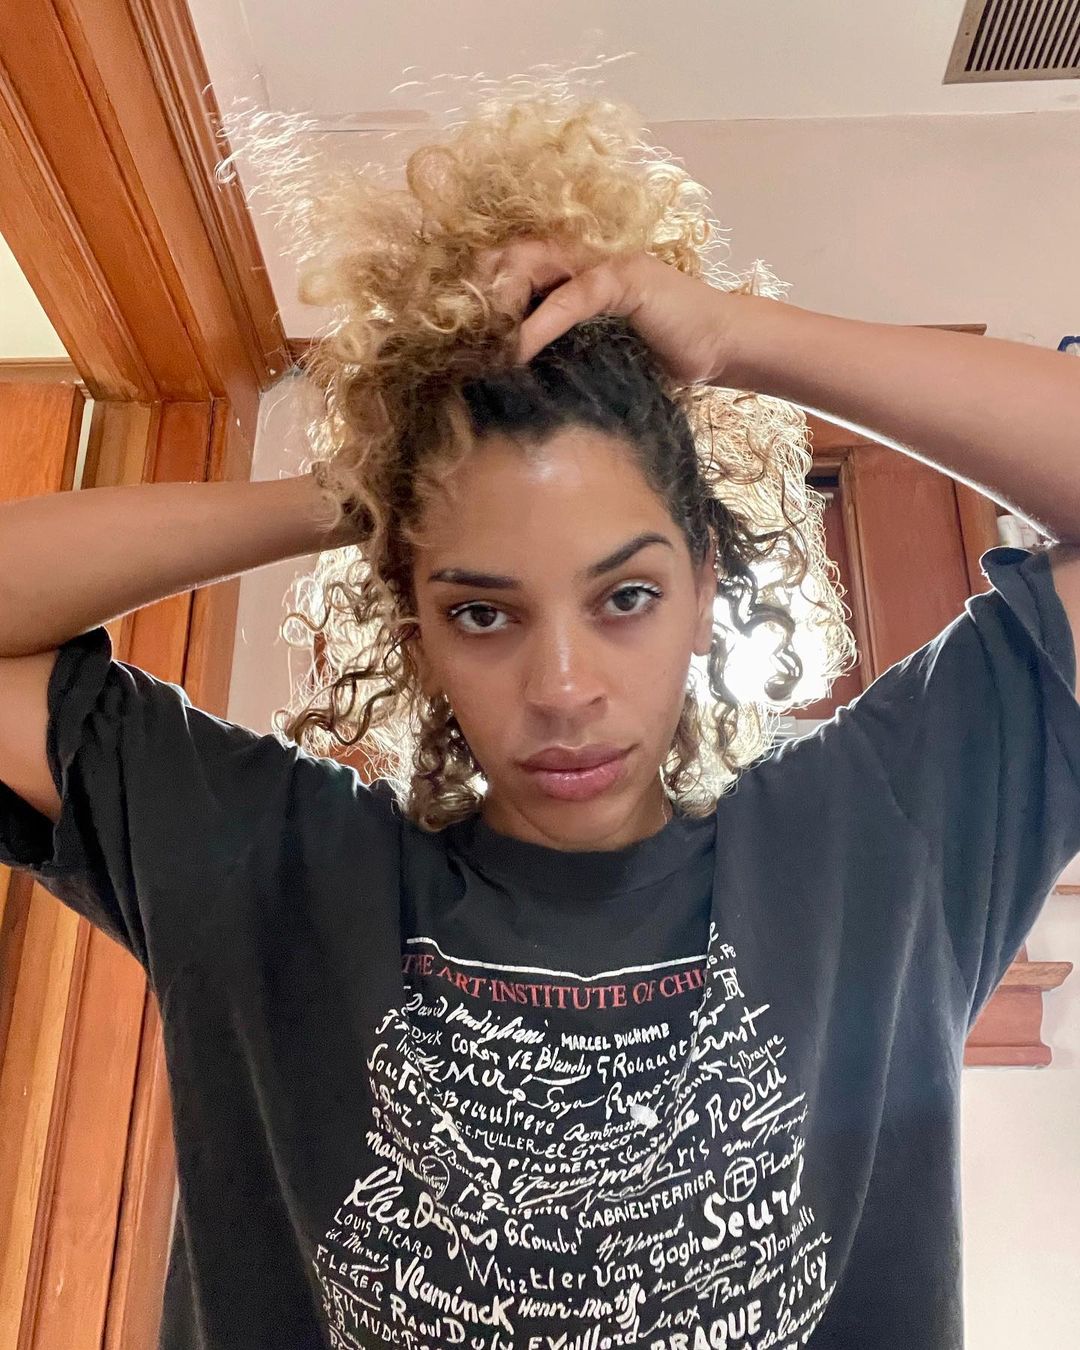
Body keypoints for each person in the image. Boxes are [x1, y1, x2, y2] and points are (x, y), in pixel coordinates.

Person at [2, 90, 1080, 1350]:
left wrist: (734, 335)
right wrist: (363, 494)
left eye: (626, 597)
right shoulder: (272, 866)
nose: (564, 687)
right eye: (482, 611)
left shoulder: (881, 842)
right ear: (413, 626)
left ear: (706, 590)